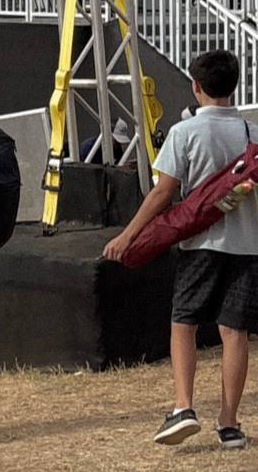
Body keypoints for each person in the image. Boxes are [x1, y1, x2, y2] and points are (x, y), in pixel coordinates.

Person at [104, 46, 258, 448]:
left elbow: (163, 194)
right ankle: (229, 424)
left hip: (202, 245)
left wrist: (128, 236)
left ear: (195, 87)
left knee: (183, 322)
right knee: (234, 331)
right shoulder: (252, 134)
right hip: (247, 246)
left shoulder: (185, 133)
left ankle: (183, 406)